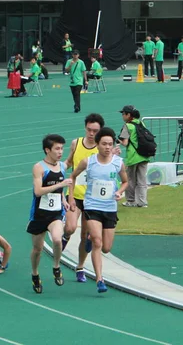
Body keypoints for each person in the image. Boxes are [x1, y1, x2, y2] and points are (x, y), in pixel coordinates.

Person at [69, 127, 128, 293]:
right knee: (97, 242)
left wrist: (119, 191)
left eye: (110, 144)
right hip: (92, 206)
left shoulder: (118, 162)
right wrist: (71, 197)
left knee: (106, 248)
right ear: (97, 144)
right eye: (104, 144)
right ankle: (99, 279)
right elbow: (72, 177)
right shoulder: (88, 162)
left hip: (109, 208)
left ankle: (90, 238)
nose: (107, 147)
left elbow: (125, 181)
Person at [62, 113, 105, 282]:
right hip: (76, 195)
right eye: (89, 129)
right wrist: (55, 167)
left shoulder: (103, 148)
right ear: (85, 128)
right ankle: (65, 237)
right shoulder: (76, 143)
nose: (91, 133)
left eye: (95, 131)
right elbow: (69, 162)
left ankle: (80, 267)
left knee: (85, 236)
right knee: (71, 227)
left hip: (93, 199)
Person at [28, 134, 72, 294]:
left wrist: (63, 199)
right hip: (39, 214)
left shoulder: (62, 166)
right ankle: (35, 274)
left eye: (62, 148)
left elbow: (59, 189)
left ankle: (56, 266)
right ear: (47, 150)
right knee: (37, 249)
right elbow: (38, 191)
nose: (60, 152)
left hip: (56, 214)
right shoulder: (39, 167)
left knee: (57, 239)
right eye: (57, 149)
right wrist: (60, 185)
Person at [118, 106, 150, 208]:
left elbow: (125, 143)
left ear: (128, 115)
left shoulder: (127, 126)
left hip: (133, 157)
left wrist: (118, 141)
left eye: (123, 114)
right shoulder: (141, 123)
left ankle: (131, 201)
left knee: (130, 180)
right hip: (144, 155)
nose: (122, 116)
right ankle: (142, 201)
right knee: (142, 179)